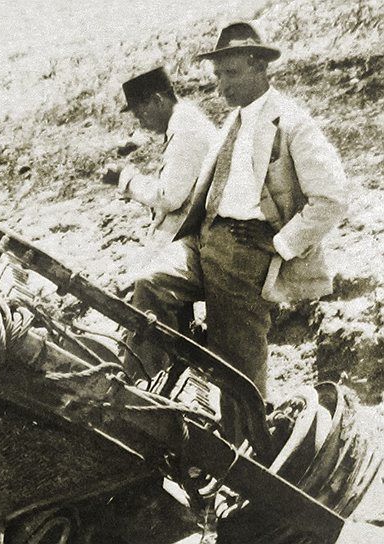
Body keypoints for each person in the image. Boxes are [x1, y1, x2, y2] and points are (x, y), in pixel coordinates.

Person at [130, 22, 348, 437]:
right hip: (203, 239)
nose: (221, 85)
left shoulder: (292, 123)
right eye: (218, 75)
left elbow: (332, 198)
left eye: (230, 74)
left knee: (236, 364)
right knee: (151, 285)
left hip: (245, 253)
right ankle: (141, 405)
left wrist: (280, 242)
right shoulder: (233, 121)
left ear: (260, 67)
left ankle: (246, 452)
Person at [116, 66, 217, 253]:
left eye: (141, 114)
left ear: (157, 101)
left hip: (201, 236)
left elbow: (168, 197)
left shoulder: (186, 132)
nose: (142, 123)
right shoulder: (184, 121)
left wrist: (126, 180)